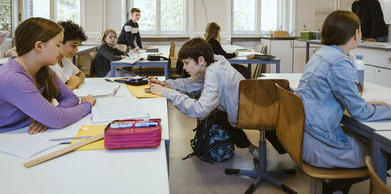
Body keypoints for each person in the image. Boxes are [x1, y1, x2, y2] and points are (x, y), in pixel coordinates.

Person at [295, 10, 391, 192]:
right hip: (319, 146)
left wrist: (372, 105)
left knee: (365, 138)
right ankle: (336, 187)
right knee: (384, 151)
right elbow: (359, 112)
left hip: (303, 136)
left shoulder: (321, 54)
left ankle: (337, 188)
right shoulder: (339, 61)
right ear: (356, 34)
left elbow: (346, 100)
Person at [149, 38, 273, 158]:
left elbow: (200, 110)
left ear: (201, 60)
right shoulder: (217, 62)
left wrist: (167, 93)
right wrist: (165, 84)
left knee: (214, 114)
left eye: (186, 63)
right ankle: (252, 149)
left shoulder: (213, 73)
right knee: (218, 114)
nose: (185, 68)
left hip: (246, 113)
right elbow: (192, 83)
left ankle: (252, 149)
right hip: (254, 107)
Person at [0, 18, 96, 137]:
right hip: (1, 141)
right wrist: (87, 105)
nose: (60, 50)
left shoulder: (43, 70)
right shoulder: (11, 77)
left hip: (27, 135)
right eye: (57, 45)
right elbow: (58, 119)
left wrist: (47, 118)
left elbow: (70, 98)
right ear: (39, 46)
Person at [49, 20, 87, 90]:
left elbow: (81, 74)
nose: (76, 50)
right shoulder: (50, 67)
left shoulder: (64, 60)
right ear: (60, 42)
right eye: (73, 46)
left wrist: (76, 82)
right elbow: (57, 96)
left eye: (77, 46)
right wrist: (71, 86)